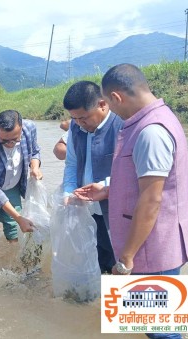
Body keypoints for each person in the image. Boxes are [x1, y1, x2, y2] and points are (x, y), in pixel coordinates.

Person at [75, 64, 188, 339]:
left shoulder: (151, 132)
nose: (114, 113)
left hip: (152, 247)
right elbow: (146, 180)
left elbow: (151, 199)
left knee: (161, 332)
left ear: (116, 98)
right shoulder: (156, 120)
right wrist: (107, 188)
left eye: (111, 105)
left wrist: (126, 259)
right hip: (151, 243)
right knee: (150, 326)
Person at [62, 81, 123, 273]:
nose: (80, 123)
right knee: (95, 261)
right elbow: (71, 163)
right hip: (88, 210)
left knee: (121, 263)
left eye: (84, 118)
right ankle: (99, 301)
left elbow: (133, 174)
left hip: (116, 212)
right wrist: (68, 191)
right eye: (75, 119)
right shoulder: (75, 127)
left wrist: (105, 187)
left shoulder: (123, 126)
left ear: (102, 105)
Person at [0, 109, 42, 242]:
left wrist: (34, 167)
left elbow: (35, 152)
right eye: (4, 141)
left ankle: (14, 260)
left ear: (21, 128)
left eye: (14, 140)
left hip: (13, 185)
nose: (10, 144)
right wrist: (19, 219)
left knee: (15, 229)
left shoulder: (30, 128)